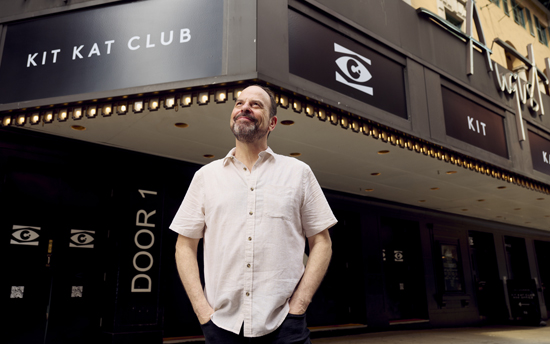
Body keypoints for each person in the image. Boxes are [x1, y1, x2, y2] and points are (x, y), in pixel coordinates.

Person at [170, 85, 337, 343]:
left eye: (256, 104)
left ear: (272, 123)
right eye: (239, 103)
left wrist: (299, 307)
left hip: (285, 326)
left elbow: (322, 243)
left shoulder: (298, 173)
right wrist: (202, 311)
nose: (244, 107)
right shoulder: (206, 177)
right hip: (221, 327)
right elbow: (184, 246)